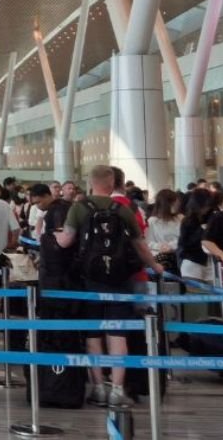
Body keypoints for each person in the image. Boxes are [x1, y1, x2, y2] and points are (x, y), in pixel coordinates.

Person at [55, 166, 164, 409]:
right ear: (113, 182)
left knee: (93, 334)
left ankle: (98, 388)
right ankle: (117, 389)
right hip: (120, 280)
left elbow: (65, 241)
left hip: (89, 280)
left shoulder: (79, 207)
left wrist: (52, 236)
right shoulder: (123, 209)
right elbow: (140, 245)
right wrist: (155, 266)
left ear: (90, 182)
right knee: (118, 334)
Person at [178, 189, 217, 282]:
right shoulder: (187, 221)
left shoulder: (214, 218)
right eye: (204, 205)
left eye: (208, 205)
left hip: (210, 262)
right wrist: (202, 231)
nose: (206, 209)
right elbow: (185, 243)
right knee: (193, 289)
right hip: (192, 262)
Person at [146, 189, 183, 273]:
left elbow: (183, 239)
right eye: (174, 203)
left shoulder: (179, 219)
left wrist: (171, 246)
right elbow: (148, 242)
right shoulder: (152, 221)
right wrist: (160, 246)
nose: (177, 205)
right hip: (160, 258)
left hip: (177, 256)